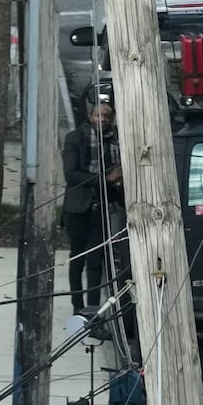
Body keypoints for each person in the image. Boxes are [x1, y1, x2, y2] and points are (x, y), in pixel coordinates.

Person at [62, 96, 124, 316]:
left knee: (96, 261)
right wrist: (105, 178)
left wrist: (116, 183)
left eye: (107, 116)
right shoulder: (74, 139)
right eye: (98, 115)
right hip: (77, 208)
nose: (102, 119)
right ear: (90, 117)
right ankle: (78, 307)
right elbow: (71, 175)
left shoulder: (115, 140)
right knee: (77, 258)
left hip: (102, 208)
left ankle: (93, 310)